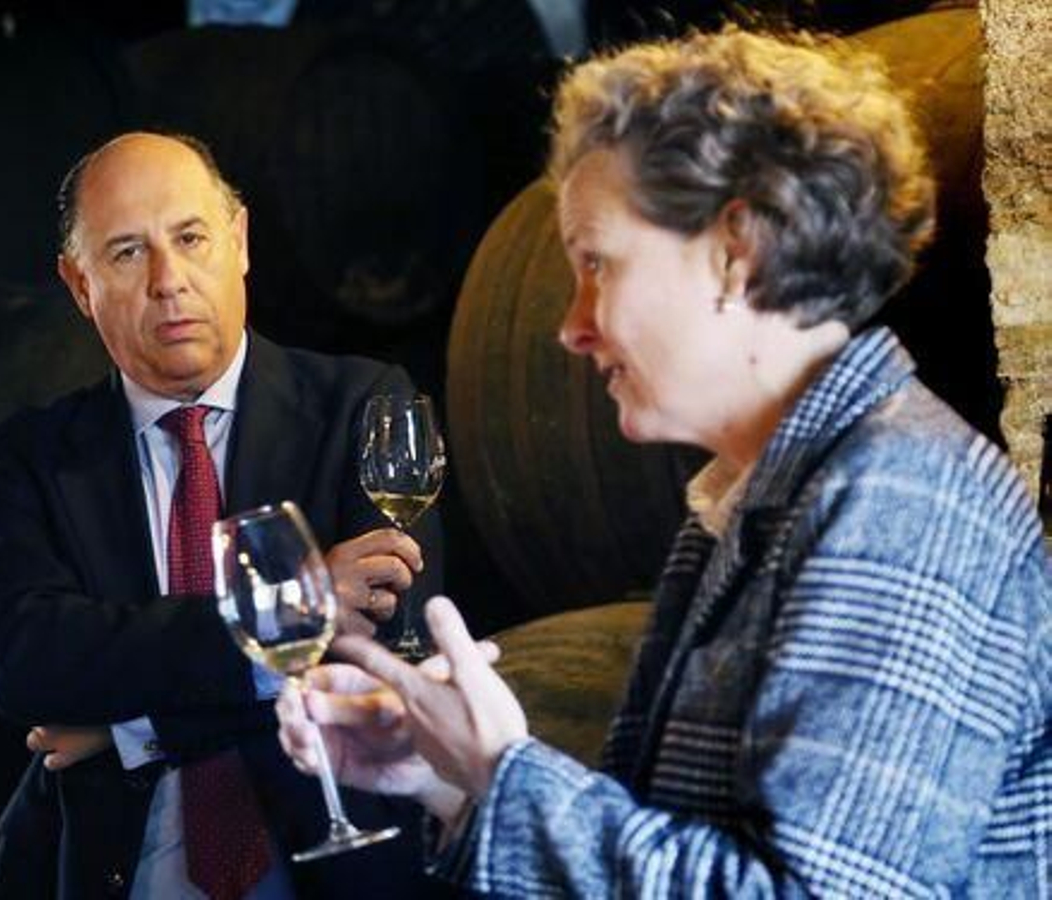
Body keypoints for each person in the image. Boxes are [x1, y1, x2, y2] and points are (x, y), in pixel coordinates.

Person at [276, 28, 1051, 897]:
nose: (570, 324)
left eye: (596, 264)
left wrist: (506, 772)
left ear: (738, 249)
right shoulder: (754, 497)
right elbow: (677, 836)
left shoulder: (904, 498)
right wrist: (447, 780)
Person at [0, 131, 443, 899]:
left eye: (190, 238)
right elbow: (24, 663)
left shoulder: (362, 406)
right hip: (111, 866)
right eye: (126, 253)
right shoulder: (28, 457)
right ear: (79, 286)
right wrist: (288, 613)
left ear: (241, 240)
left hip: (329, 858)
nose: (169, 280)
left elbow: (384, 661)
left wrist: (134, 729)